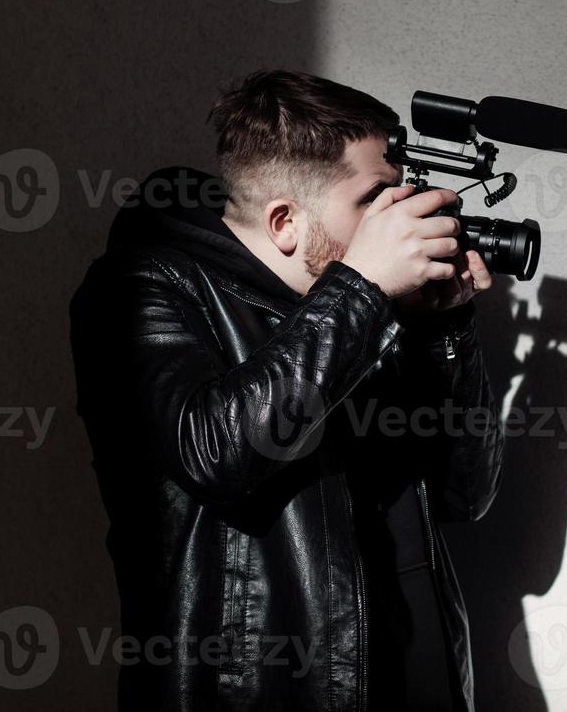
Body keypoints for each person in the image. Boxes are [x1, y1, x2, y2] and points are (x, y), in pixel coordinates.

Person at [71, 69, 504, 710]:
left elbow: (462, 497)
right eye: (373, 201)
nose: (398, 220)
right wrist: (361, 288)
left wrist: (446, 331)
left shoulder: (357, 311)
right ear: (284, 223)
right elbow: (215, 452)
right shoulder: (143, 288)